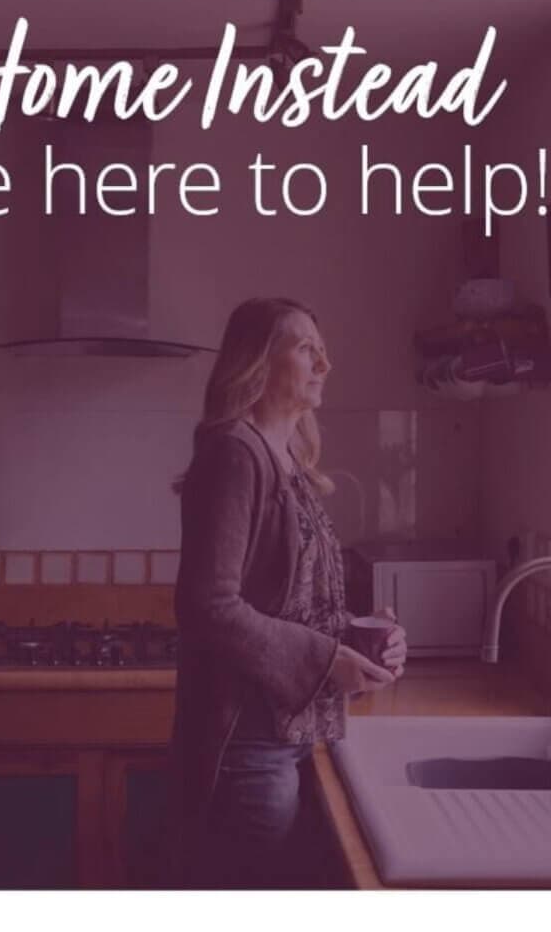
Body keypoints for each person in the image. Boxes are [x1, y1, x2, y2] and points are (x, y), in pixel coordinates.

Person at [168, 297, 407, 888]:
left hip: (284, 735)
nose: (324, 363)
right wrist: (329, 659)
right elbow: (209, 606)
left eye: (321, 349)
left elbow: (283, 600)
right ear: (257, 361)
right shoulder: (234, 454)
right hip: (247, 745)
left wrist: (360, 636)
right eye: (306, 348)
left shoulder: (285, 459)